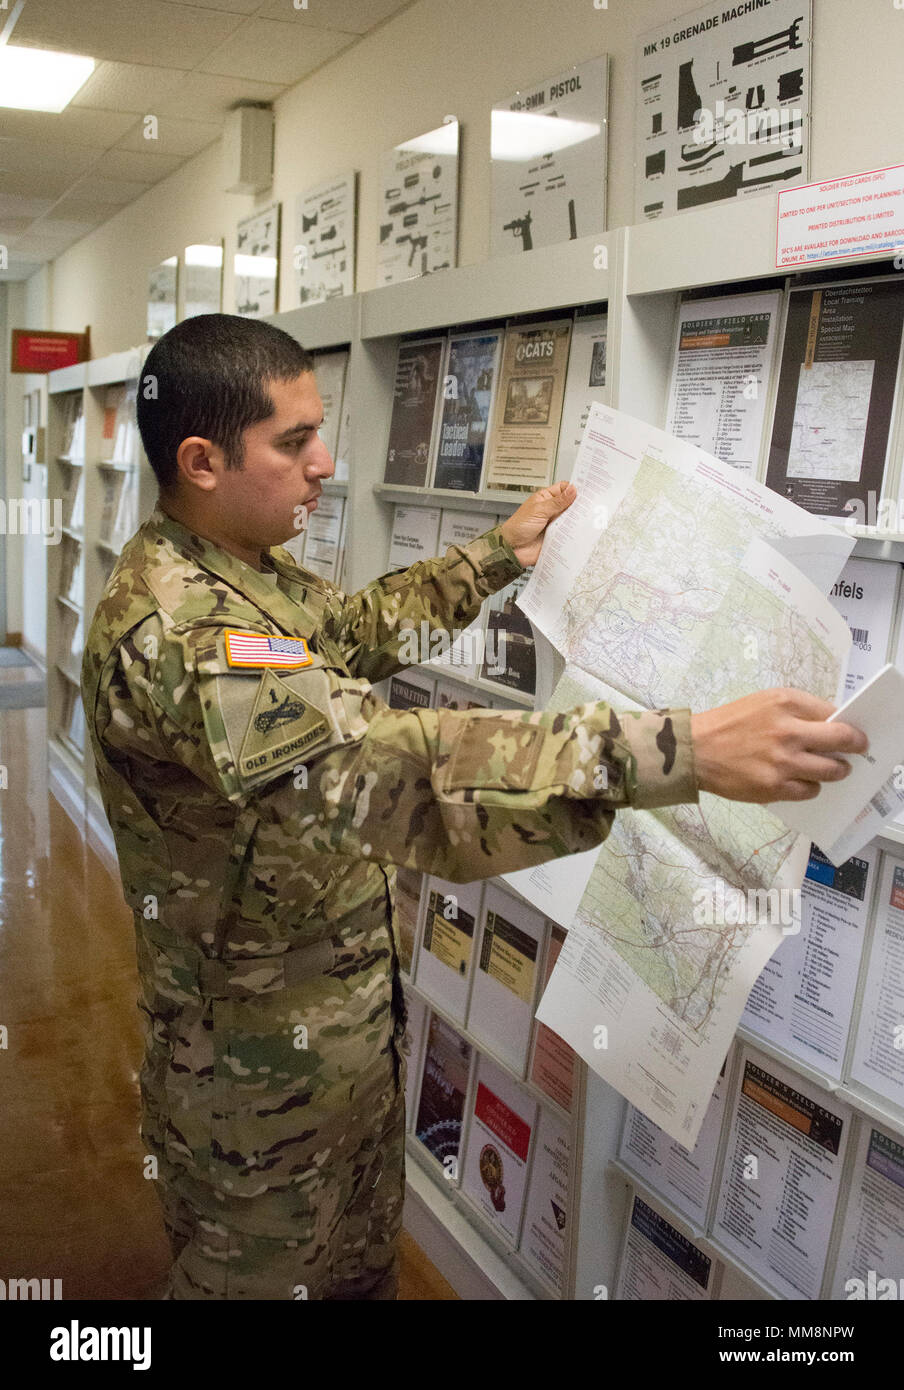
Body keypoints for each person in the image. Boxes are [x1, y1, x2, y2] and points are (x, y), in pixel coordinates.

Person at [81, 313, 866, 1300]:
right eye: (293, 442)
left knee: (355, 1271)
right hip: (252, 1083)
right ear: (201, 458)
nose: (324, 463)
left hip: (335, 1040)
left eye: (321, 431)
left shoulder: (240, 568)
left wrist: (495, 554)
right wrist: (680, 750)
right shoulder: (179, 630)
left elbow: (349, 636)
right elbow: (379, 773)